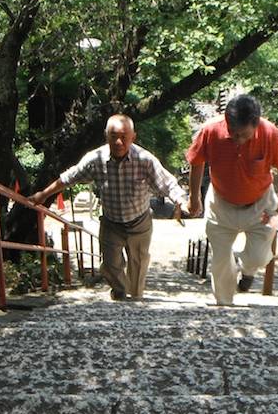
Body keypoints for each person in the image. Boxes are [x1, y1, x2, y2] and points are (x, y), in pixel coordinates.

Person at [30, 114, 188, 301]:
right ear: (106, 136)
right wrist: (43, 195)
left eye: (124, 136)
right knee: (110, 265)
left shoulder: (144, 159)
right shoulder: (95, 159)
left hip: (139, 221)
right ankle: (120, 292)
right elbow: (67, 178)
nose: (119, 142)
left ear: (133, 137)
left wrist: (182, 201)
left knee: (138, 265)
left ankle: (136, 301)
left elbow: (168, 183)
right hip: (111, 222)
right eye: (113, 136)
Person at [186, 94, 278, 306]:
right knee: (220, 262)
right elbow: (196, 161)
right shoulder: (211, 130)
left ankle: (247, 269)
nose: (237, 139)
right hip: (219, 203)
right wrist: (194, 197)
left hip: (263, 203)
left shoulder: (270, 133)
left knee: (260, 256)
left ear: (256, 124)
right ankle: (224, 307)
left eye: (244, 135)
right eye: (233, 133)